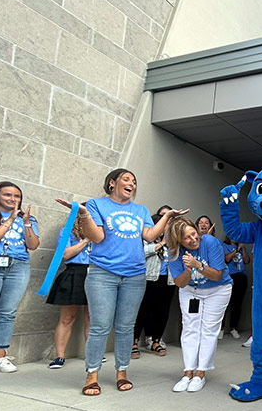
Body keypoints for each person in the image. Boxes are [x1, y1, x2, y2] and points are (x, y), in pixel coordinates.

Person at [56, 169, 187, 395]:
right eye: (127, 180)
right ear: (112, 183)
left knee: (126, 327)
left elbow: (149, 235)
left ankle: (122, 371)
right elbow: (97, 237)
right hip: (102, 274)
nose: (132, 184)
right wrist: (85, 215)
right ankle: (92, 374)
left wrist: (167, 217)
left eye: (134, 181)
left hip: (134, 275)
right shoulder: (98, 205)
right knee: (100, 326)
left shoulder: (140, 210)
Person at [167, 218, 233, 393]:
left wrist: (197, 265)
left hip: (218, 289)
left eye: (193, 233)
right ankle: (187, 373)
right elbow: (180, 283)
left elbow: (217, 275)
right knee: (190, 328)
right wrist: (188, 270)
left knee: (208, 330)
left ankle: (200, 374)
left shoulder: (210, 242)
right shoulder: (174, 251)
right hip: (191, 290)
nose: (193, 239)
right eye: (187, 238)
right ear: (178, 241)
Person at [0, 182, 39, 375]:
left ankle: (0, 357)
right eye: (7, 195)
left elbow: (33, 245)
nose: (13, 199)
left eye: (17, 196)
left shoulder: (28, 219)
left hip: (19, 266)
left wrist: (25, 223)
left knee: (7, 313)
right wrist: (9, 221)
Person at [46, 214, 90, 369]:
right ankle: (59, 356)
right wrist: (87, 239)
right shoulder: (67, 232)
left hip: (97, 274)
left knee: (92, 319)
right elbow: (65, 254)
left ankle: (92, 354)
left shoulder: (103, 233)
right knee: (67, 318)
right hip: (75, 272)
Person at [133, 213, 176, 358]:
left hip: (168, 280)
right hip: (149, 279)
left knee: (162, 311)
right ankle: (134, 342)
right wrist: (162, 243)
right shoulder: (146, 238)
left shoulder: (173, 241)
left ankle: (156, 341)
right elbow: (139, 253)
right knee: (142, 311)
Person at [219, 237, 249, 339]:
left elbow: (247, 261)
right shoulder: (224, 246)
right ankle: (221, 328)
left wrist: (243, 249)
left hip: (241, 276)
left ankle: (233, 328)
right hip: (230, 276)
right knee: (224, 304)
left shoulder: (240, 247)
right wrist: (236, 249)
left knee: (237, 304)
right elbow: (226, 259)